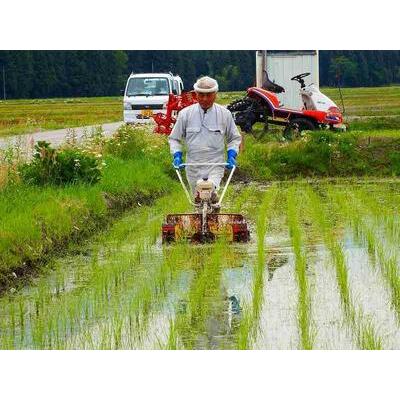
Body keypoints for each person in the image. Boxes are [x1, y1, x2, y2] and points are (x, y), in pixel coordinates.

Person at [168, 76, 242, 200]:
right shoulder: (185, 114)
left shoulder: (225, 114)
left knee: (210, 194)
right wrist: (177, 155)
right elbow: (174, 138)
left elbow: (234, 138)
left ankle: (212, 210)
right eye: (201, 95)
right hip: (193, 166)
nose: (205, 99)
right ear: (196, 94)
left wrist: (231, 154)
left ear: (215, 94)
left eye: (209, 95)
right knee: (197, 199)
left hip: (215, 164)